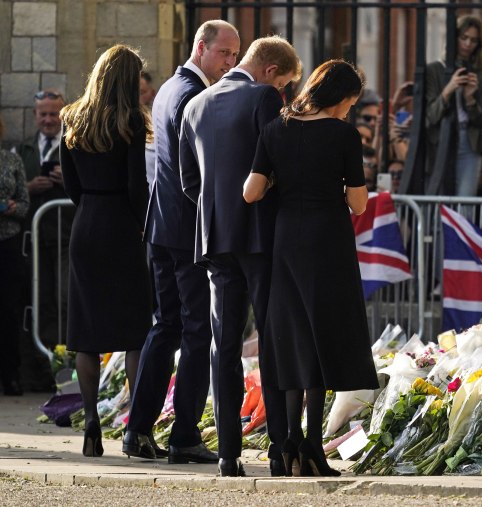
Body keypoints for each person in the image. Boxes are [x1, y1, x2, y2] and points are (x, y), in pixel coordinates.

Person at [243, 59, 379, 477]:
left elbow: (251, 192)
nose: (348, 111)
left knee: (291, 336)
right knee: (323, 335)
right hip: (327, 240)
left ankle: (287, 443)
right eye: (350, 103)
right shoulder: (342, 135)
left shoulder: (276, 127)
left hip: (286, 239)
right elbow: (358, 203)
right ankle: (313, 447)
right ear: (341, 97)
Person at [180, 35, 301, 478]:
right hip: (261, 236)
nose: (285, 92)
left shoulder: (196, 104)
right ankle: (276, 449)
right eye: (286, 83)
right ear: (271, 72)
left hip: (215, 237)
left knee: (223, 344)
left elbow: (188, 181)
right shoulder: (264, 98)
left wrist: (219, 208)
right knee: (272, 342)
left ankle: (228, 454)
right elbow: (278, 165)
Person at [122, 20, 239, 464]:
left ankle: (137, 430)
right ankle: (185, 433)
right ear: (201, 47)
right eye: (224, 53)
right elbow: (200, 171)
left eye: (234, 55)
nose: (229, 63)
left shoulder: (171, 86)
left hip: (164, 227)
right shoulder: (193, 94)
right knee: (195, 330)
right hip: (186, 230)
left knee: (166, 326)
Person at [59, 44, 153, 457]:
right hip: (120, 222)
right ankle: (135, 427)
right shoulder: (130, 120)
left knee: (86, 333)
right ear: (128, 80)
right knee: (134, 330)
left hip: (87, 223)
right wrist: (141, 222)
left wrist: (91, 209)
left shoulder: (72, 117)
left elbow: (71, 186)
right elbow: (136, 185)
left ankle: (92, 424)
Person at [13, 89, 71, 393]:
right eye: (43, 114)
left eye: (54, 114)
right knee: (40, 301)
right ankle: (39, 369)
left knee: (65, 299)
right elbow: (12, 190)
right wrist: (30, 187)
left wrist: (69, 180)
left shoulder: (74, 144)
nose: (49, 120)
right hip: (34, 241)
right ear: (35, 116)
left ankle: (65, 369)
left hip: (65, 236)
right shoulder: (22, 151)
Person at [426, 15, 482, 196]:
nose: (468, 44)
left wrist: (470, 99)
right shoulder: (434, 70)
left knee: (465, 201)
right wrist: (449, 89)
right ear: (454, 38)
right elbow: (431, 115)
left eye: (474, 40)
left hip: (469, 140)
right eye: (464, 38)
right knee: (439, 200)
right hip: (442, 138)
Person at [0, 115, 30, 396]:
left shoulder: (11, 161)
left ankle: (10, 375)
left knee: (9, 311)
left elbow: (24, 204)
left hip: (8, 243)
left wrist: (10, 207)